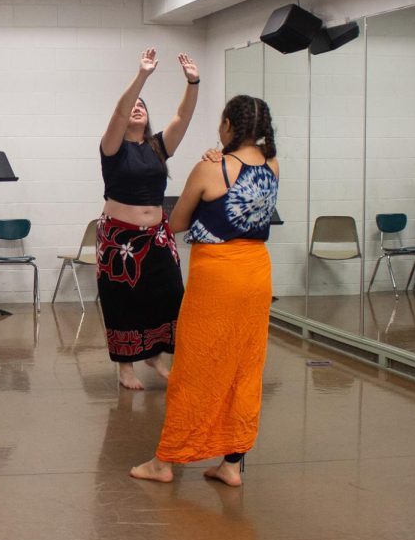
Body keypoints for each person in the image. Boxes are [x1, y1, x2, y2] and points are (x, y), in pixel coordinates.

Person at [130, 94, 280, 487]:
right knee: (244, 368)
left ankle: (166, 461)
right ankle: (231, 463)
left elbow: (177, 221)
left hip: (217, 275)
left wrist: (207, 167)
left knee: (195, 366)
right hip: (257, 274)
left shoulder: (210, 169)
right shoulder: (273, 165)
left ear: (230, 124)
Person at [97, 48, 201, 390]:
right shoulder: (112, 147)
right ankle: (125, 367)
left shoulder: (157, 146)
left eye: (143, 106)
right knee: (122, 299)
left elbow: (182, 118)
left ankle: (155, 355)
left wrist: (193, 82)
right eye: (133, 107)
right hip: (119, 239)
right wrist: (142, 75)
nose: (137, 109)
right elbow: (118, 111)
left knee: (170, 293)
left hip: (157, 235)